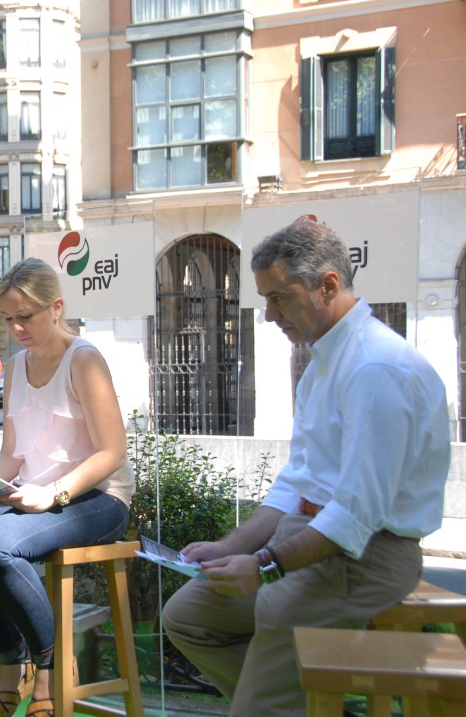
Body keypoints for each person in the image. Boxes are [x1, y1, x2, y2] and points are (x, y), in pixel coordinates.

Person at [161, 218, 451, 716]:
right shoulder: (324, 364)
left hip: (366, 557)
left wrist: (264, 565)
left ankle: (272, 705)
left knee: (267, 656)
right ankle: (296, 705)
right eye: (265, 299)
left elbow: (354, 517)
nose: (269, 314)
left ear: (328, 285)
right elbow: (297, 482)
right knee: (187, 616)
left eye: (279, 297)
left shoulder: (376, 368)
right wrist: (232, 547)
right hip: (313, 541)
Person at [0, 258, 134, 717]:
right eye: (8, 319)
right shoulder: (16, 366)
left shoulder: (84, 359)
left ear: (56, 308)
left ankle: (51, 664)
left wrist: (54, 493)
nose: (17, 328)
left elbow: (112, 452)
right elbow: (12, 454)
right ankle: (12, 653)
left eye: (26, 316)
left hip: (99, 498)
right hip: (34, 492)